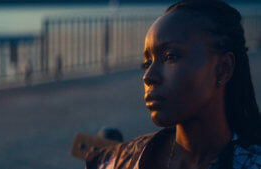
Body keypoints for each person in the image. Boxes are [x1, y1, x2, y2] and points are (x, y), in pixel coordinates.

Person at [85, 0, 261, 168]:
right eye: (147, 63)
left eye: (170, 57)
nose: (148, 76)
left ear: (223, 68)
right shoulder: (120, 160)